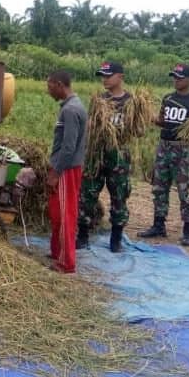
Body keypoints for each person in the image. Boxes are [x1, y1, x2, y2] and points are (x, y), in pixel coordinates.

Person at [139, 63, 189, 246]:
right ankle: (158, 225)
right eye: (174, 77)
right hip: (164, 147)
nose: (176, 80)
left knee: (186, 190)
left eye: (180, 77)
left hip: (183, 149)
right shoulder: (168, 98)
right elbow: (163, 121)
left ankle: (188, 231)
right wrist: (147, 115)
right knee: (159, 187)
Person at [77, 61, 132, 253]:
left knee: (119, 195)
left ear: (120, 77)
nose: (105, 79)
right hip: (97, 153)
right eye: (103, 76)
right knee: (87, 193)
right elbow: (89, 125)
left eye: (108, 76)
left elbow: (139, 131)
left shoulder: (131, 102)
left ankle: (115, 239)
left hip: (118, 154)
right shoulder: (99, 100)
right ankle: (82, 235)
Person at [46, 70, 88, 273]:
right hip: (63, 167)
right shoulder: (70, 107)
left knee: (65, 214)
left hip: (67, 170)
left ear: (60, 84)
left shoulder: (71, 110)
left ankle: (66, 263)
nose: (48, 91)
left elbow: (69, 147)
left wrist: (56, 172)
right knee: (56, 212)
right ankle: (57, 252)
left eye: (50, 86)